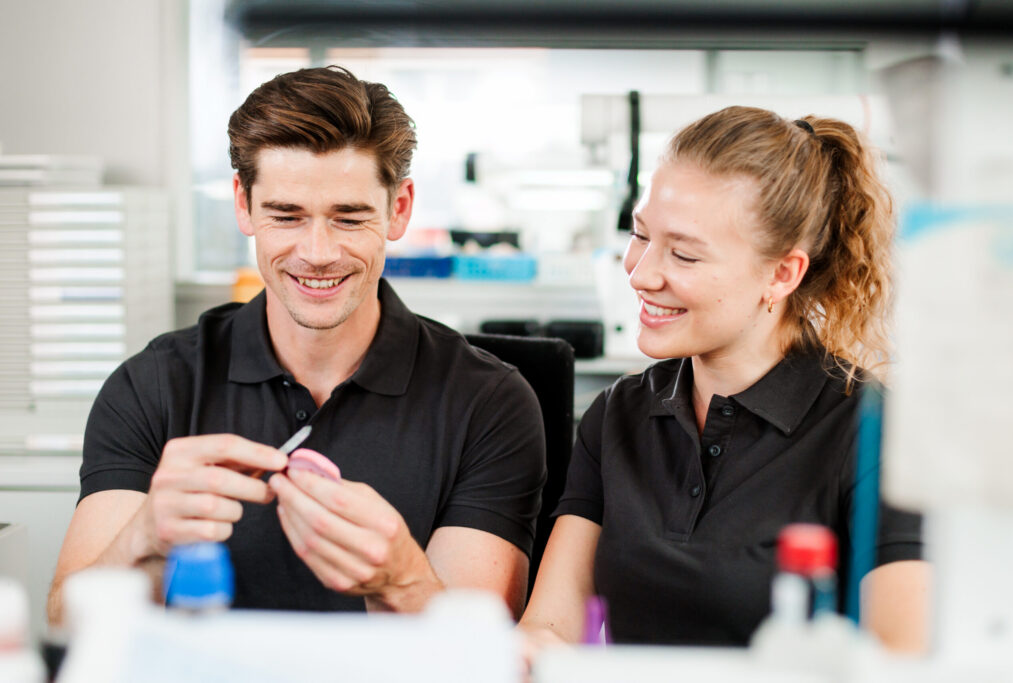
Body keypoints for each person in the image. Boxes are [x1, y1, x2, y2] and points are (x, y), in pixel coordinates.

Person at [47, 66, 545, 622]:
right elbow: (68, 620)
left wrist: (402, 580)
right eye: (286, 216)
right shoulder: (154, 385)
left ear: (398, 209)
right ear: (243, 205)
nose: (318, 252)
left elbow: (485, 660)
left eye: (349, 217)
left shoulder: (489, 401)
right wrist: (144, 537)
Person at [519, 106, 928, 652]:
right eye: (640, 235)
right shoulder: (620, 414)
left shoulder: (875, 434)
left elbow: (899, 664)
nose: (641, 274)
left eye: (684, 254)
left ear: (782, 274)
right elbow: (550, 628)